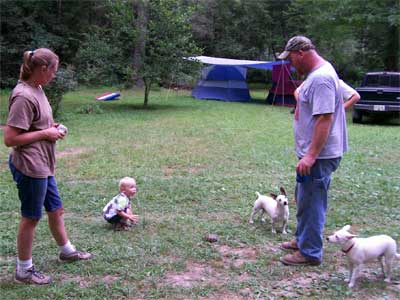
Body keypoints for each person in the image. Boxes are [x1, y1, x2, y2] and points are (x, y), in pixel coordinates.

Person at [4, 48, 92, 285]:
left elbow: (35, 125)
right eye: (54, 70)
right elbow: (10, 139)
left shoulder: (38, 90)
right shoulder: (23, 96)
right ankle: (24, 270)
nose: (55, 75)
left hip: (43, 164)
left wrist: (52, 127)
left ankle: (67, 251)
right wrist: (46, 132)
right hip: (30, 166)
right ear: (43, 69)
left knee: (55, 209)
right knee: (31, 218)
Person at [277, 36, 348, 266]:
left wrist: (310, 155)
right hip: (314, 154)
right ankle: (303, 239)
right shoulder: (317, 75)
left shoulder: (321, 79)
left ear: (301, 53)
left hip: (319, 156)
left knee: (313, 201)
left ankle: (310, 252)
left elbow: (325, 118)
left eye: (291, 59)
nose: (290, 64)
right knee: (304, 198)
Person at [293, 79, 360, 117]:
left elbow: (355, 96)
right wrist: (303, 106)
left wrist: (339, 110)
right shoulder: (311, 81)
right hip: (312, 118)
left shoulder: (336, 82)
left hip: (331, 120)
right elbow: (297, 92)